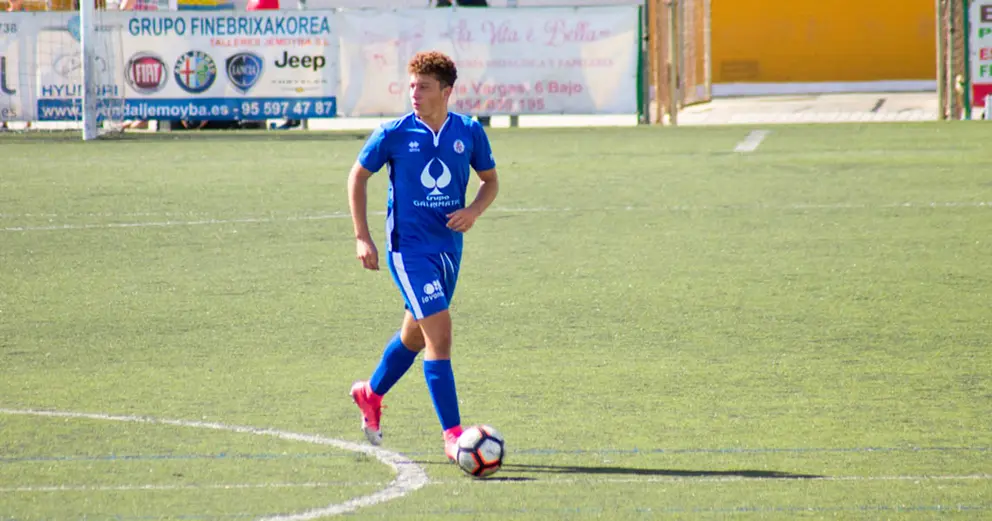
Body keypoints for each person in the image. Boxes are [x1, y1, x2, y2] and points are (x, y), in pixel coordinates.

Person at [347, 50, 500, 461]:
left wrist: (473, 211)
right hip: (408, 250)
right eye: (411, 85)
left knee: (415, 335)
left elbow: (490, 182)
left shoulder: (468, 131)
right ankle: (453, 436)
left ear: (447, 91)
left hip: (448, 249)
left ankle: (370, 393)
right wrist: (363, 237)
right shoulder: (393, 133)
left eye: (424, 87)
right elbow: (357, 176)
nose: (414, 93)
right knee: (440, 332)